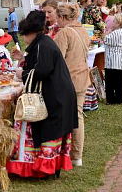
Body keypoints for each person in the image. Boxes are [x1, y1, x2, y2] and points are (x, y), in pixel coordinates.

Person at [9, 11, 77, 178]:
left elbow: (42, 70)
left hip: (56, 96)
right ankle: (49, 167)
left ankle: (45, 169)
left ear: (31, 33)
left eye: (24, 35)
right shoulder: (42, 43)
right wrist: (23, 59)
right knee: (51, 131)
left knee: (49, 131)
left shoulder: (43, 45)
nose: (24, 39)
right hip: (58, 93)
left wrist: (21, 74)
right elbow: (39, 63)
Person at [53, 3, 91, 167]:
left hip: (69, 79)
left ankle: (68, 153)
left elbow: (57, 59)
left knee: (68, 116)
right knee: (78, 115)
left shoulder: (64, 33)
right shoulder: (83, 30)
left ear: (62, 17)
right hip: (82, 77)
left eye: (57, 18)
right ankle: (77, 155)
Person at [104, 14, 122, 104]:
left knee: (110, 81)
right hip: (120, 59)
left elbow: (106, 40)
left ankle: (110, 99)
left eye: (114, 21)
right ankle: (120, 98)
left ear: (118, 23)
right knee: (119, 81)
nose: (112, 23)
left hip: (113, 60)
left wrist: (106, 33)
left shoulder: (115, 33)